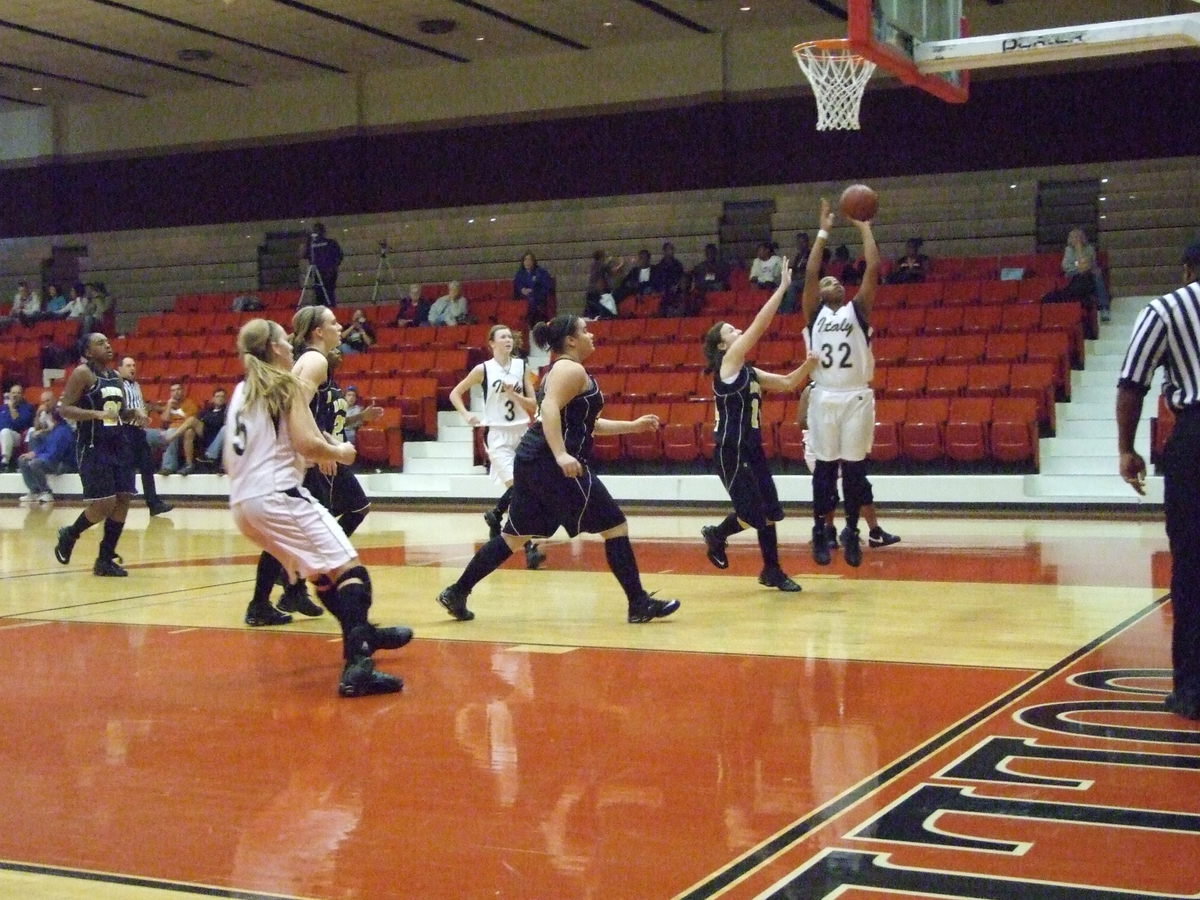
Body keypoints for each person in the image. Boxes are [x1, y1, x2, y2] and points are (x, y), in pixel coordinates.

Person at [436, 314, 680, 625]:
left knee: (514, 536)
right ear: (571, 340)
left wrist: (632, 426)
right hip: (551, 465)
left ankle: (457, 591)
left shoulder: (565, 371)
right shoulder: (570, 369)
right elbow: (549, 409)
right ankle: (638, 603)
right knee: (615, 525)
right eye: (585, 331)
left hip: (533, 461)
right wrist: (562, 454)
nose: (592, 335)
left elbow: (586, 424)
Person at [224, 318, 411, 697]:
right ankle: (358, 665)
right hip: (278, 495)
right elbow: (308, 444)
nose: (291, 346)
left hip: (244, 503)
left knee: (322, 575)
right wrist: (338, 451)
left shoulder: (243, 390)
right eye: (284, 341)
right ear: (275, 348)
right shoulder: (287, 383)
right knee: (352, 572)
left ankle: (363, 634)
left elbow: (235, 456)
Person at [1117, 242, 1200, 721]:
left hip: (1196, 440)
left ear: (1187, 268)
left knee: (1191, 567)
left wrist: (1127, 449)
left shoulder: (1168, 308)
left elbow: (1132, 382)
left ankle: (1191, 691)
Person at [699, 262, 819, 593]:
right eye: (730, 331)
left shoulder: (748, 372)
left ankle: (772, 570)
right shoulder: (728, 364)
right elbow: (759, 325)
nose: (737, 332)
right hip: (730, 449)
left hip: (752, 447)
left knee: (769, 512)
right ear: (722, 345)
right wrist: (781, 289)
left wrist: (808, 365)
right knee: (752, 514)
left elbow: (787, 383)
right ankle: (717, 534)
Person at [801, 197, 880, 568]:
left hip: (856, 398)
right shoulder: (813, 312)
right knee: (824, 470)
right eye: (826, 281)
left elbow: (873, 270)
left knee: (854, 470)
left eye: (836, 280)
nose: (830, 281)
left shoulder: (857, 311)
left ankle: (852, 531)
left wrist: (865, 228)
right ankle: (821, 530)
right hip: (824, 397)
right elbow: (812, 273)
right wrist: (823, 232)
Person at [448, 323, 546, 571]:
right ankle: (529, 547)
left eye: (510, 336)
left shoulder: (522, 366)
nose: (508, 340)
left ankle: (496, 513)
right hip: (498, 434)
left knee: (529, 488)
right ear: (491, 343)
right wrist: (466, 413)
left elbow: (533, 405)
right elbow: (455, 394)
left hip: (523, 431)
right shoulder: (483, 369)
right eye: (502, 337)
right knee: (520, 488)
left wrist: (514, 395)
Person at [53, 333, 136, 577]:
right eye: (100, 343)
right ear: (88, 352)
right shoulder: (82, 373)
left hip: (118, 443)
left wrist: (133, 413)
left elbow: (118, 412)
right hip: (92, 445)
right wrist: (95, 415)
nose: (107, 345)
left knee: (124, 498)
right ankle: (71, 533)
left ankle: (104, 558)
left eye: (108, 342)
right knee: (104, 503)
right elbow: (65, 408)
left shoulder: (116, 377)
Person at [797, 383, 900, 552]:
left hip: (846, 444)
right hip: (819, 445)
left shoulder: (854, 390)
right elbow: (802, 421)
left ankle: (873, 532)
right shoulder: (812, 389)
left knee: (861, 488)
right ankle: (828, 532)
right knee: (828, 491)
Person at [117, 356, 173, 516]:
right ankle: (118, 504)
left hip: (138, 431)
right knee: (126, 470)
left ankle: (153, 503)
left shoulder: (136, 386)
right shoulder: (117, 385)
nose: (132, 368)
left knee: (147, 467)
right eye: (128, 365)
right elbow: (119, 409)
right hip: (124, 431)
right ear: (120, 369)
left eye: (133, 365)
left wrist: (144, 416)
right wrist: (136, 414)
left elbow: (139, 405)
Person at [1054, 226, 1111, 323]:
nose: (1076, 239)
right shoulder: (1068, 250)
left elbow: (1089, 265)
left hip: (1088, 276)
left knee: (1097, 275)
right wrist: (1079, 268)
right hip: (1073, 276)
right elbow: (1066, 267)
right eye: (1073, 237)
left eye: (1078, 237)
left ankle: (1104, 309)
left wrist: (1080, 252)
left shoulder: (1089, 249)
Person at [17, 407, 73, 503]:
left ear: (53, 419)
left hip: (62, 464)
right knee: (22, 460)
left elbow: (55, 454)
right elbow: (46, 446)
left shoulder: (63, 432)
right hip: (50, 459)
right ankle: (34, 491)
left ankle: (46, 492)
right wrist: (34, 453)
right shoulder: (54, 430)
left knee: (35, 463)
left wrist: (37, 457)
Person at [153, 382, 199, 475]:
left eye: (178, 389)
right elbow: (165, 419)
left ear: (183, 391)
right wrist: (169, 405)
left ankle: (168, 467)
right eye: (173, 390)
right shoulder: (169, 404)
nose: (176, 392)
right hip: (167, 431)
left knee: (171, 433)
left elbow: (189, 422)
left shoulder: (189, 403)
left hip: (179, 431)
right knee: (144, 434)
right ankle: (141, 465)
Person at [300, 222, 343, 307]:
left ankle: (330, 309)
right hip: (317, 273)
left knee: (329, 293)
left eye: (318, 230)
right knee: (319, 295)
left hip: (329, 272)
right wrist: (307, 241)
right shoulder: (311, 245)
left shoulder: (331, 243)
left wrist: (333, 268)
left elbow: (339, 256)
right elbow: (303, 255)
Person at [513, 252, 553, 328]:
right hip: (524, 299)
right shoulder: (520, 274)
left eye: (529, 260)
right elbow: (517, 286)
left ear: (533, 261)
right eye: (525, 260)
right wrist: (522, 290)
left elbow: (546, 286)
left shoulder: (541, 272)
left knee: (534, 304)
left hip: (538, 299)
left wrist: (534, 291)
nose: (527, 262)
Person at [0, 384, 35, 470]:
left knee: (5, 432)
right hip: (4, 436)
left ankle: (5, 461)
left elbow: (20, 424)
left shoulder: (28, 407)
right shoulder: (2, 408)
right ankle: (4, 462)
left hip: (20, 437)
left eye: (18, 393)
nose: (15, 395)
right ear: (9, 395)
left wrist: (12, 408)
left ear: (23, 395)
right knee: (4, 432)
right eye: (13, 393)